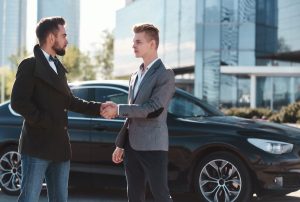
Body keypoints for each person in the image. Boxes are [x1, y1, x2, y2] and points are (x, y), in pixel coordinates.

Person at [11, 16, 108, 202]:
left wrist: (100, 108)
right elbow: (18, 102)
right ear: (51, 38)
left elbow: (70, 102)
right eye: (63, 35)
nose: (67, 40)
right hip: (37, 146)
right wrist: (45, 121)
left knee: (60, 199)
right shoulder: (30, 65)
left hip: (60, 147)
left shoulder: (58, 66)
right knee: (29, 199)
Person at [102, 23, 175, 202]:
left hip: (153, 145)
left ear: (152, 44)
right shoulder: (135, 75)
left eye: (138, 42)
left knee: (160, 195)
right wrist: (121, 144)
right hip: (131, 146)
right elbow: (132, 116)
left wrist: (118, 109)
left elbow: (153, 109)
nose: (133, 45)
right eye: (133, 41)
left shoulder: (165, 74)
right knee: (134, 195)